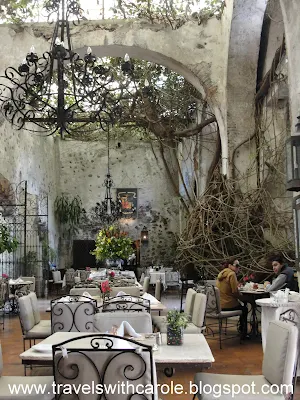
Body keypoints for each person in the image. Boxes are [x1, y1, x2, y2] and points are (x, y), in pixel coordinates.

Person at [216, 258, 249, 338]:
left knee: (242, 306)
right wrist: (243, 298)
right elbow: (235, 292)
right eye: (237, 266)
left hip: (219, 305)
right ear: (230, 265)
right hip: (228, 304)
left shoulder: (222, 273)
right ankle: (243, 333)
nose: (238, 268)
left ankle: (242, 331)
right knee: (245, 309)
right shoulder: (232, 274)